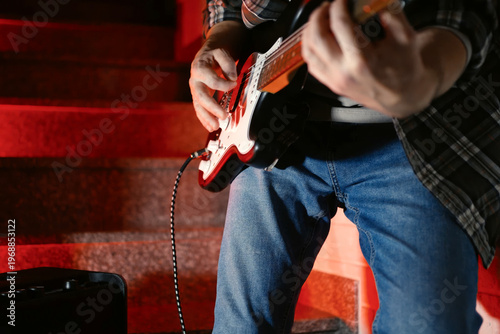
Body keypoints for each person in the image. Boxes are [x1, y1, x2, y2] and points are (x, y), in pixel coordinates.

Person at [189, 0, 500, 332]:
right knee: (238, 326)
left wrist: (426, 74)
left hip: (414, 140)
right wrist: (216, 42)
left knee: (429, 325)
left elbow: (467, 15)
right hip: (270, 133)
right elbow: (230, 6)